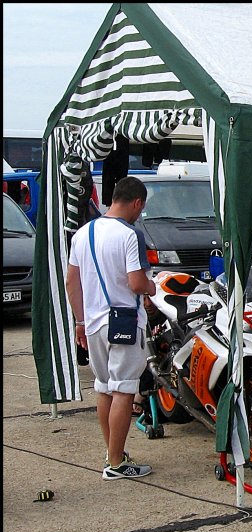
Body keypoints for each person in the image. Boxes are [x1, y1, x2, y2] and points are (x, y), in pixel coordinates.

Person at [66, 176, 156, 480]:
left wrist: (80, 321)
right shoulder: (130, 235)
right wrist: (152, 287)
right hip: (124, 321)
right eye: (141, 208)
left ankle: (112, 453)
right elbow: (136, 282)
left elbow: (71, 282)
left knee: (104, 388)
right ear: (137, 203)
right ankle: (116, 463)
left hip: (93, 323)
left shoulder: (83, 233)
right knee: (124, 390)